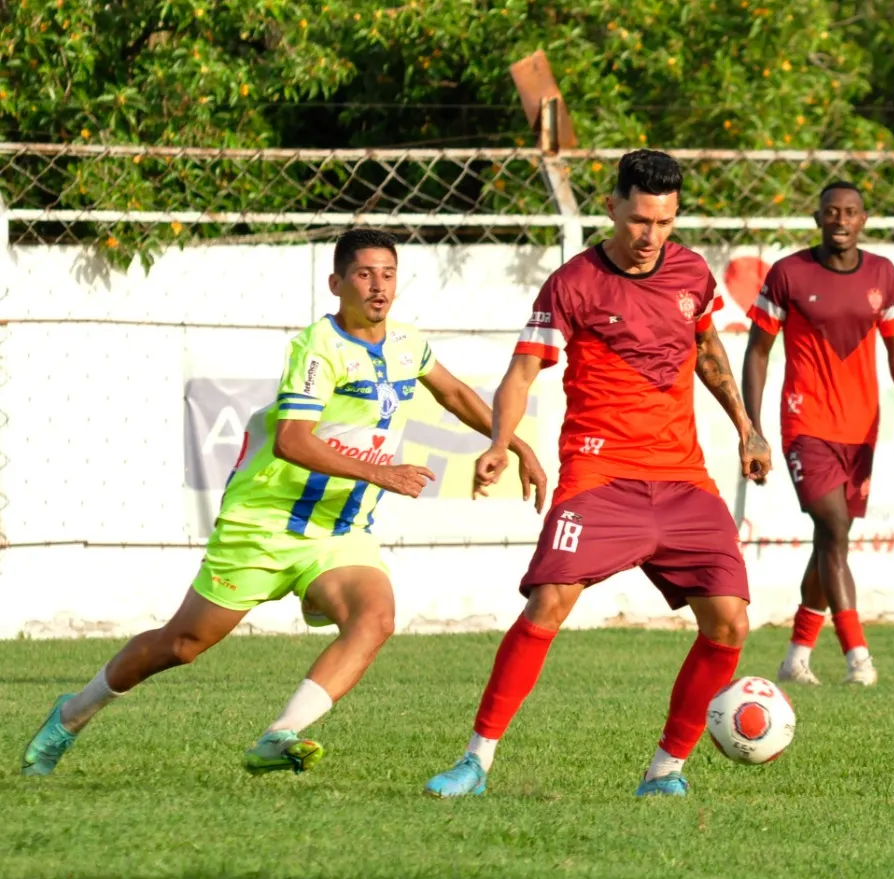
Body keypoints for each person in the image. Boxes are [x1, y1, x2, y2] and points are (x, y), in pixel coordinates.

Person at [21, 228, 546, 778]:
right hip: (265, 521)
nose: (378, 287)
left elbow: (456, 394)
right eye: (365, 275)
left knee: (376, 618)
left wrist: (513, 444)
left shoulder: (407, 344)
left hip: (339, 529)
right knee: (181, 645)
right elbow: (292, 440)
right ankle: (72, 713)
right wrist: (379, 471)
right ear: (336, 282)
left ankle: (280, 733)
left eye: (388, 275)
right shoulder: (317, 347)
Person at [422, 149, 771, 799]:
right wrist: (501, 440)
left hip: (683, 480)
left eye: (664, 223)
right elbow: (522, 372)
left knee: (730, 624)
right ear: (611, 208)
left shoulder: (691, 274)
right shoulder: (573, 284)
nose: (650, 237)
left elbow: (705, 348)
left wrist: (747, 427)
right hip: (601, 473)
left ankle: (666, 771)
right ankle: (475, 761)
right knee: (548, 604)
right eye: (639, 221)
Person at [742, 182, 894, 688]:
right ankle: (857, 656)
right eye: (832, 212)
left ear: (863, 219)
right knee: (833, 528)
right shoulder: (789, 273)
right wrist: (753, 428)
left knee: (831, 540)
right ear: (817, 218)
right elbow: (758, 352)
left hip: (861, 429)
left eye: (850, 212)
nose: (841, 220)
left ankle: (796, 655)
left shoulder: (882, 275)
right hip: (806, 423)